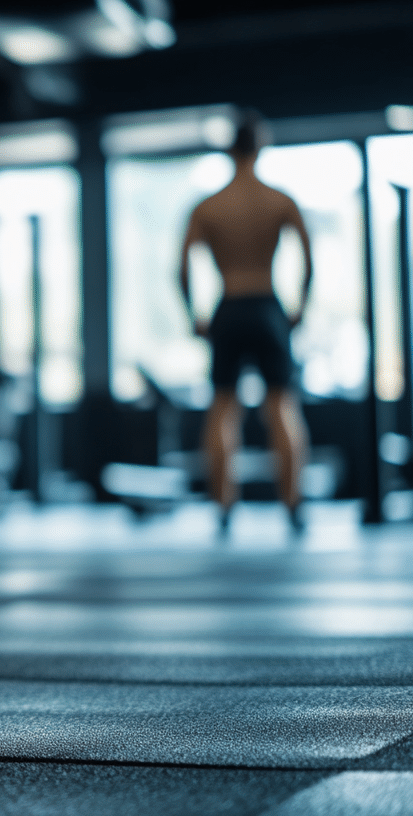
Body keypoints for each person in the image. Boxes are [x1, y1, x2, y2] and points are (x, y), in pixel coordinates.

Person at [177, 110, 312, 534]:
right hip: (268, 305)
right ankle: (292, 505)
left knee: (222, 409)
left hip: (229, 306)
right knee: (281, 406)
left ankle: (223, 506)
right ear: (261, 146)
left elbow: (180, 266)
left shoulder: (208, 206)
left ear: (229, 148)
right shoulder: (279, 200)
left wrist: (193, 316)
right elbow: (310, 259)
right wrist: (299, 309)